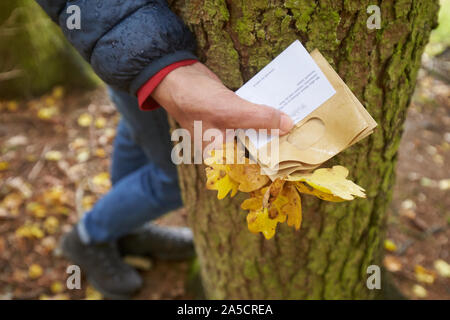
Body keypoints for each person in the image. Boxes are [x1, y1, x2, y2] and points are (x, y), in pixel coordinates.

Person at [36, 0, 294, 299]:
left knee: (139, 130)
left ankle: (125, 229)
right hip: (139, 49)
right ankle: (88, 237)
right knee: (173, 177)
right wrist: (159, 65)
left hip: (131, 50)